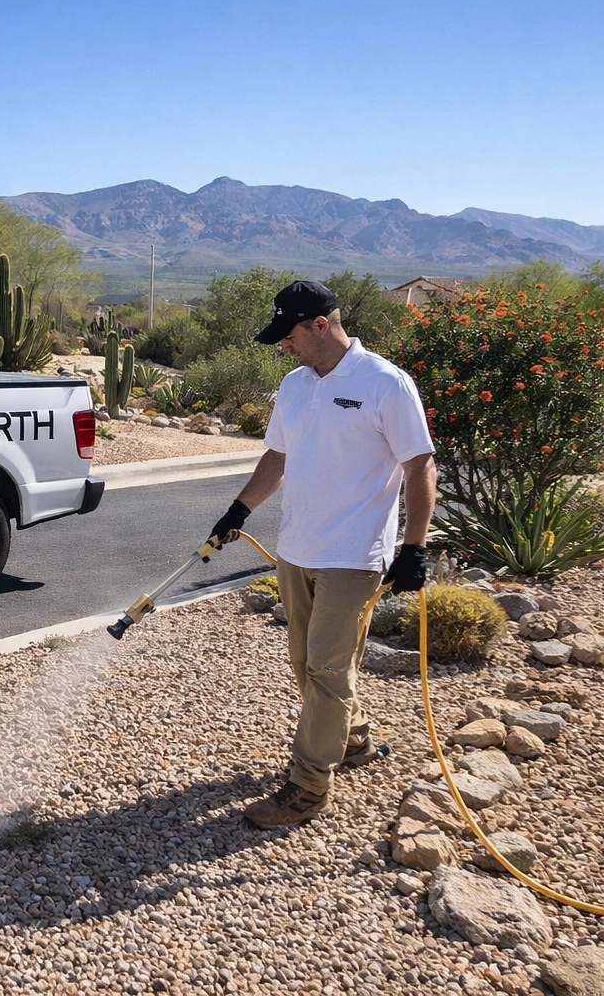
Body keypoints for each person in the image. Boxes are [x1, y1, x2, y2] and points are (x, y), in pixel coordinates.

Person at [207, 280, 437, 829]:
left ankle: (309, 786)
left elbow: (419, 465)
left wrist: (414, 548)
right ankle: (351, 740)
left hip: (353, 555)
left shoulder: (386, 383)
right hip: (296, 548)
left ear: (320, 324)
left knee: (329, 669)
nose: (284, 346)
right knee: (303, 664)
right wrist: (239, 509)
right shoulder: (295, 384)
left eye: (288, 335)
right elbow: (277, 456)